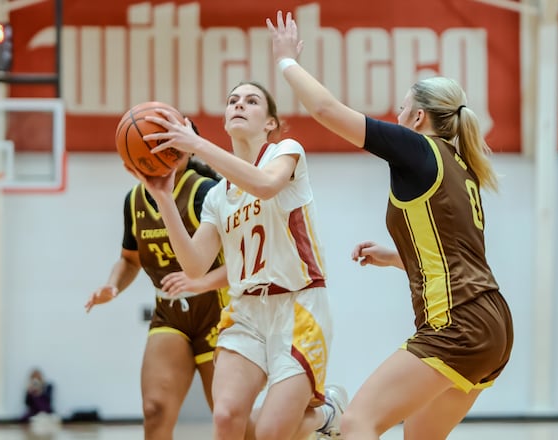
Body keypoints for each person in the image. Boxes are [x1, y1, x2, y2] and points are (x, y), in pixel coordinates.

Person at [266, 11, 515, 440]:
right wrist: (397, 257)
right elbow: (454, 255)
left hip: (456, 324)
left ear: (418, 117)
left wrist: (286, 60)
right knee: (419, 436)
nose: (396, 116)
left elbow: (326, 109)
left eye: (401, 108)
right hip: (493, 324)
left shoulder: (417, 148)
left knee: (358, 421)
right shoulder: (461, 166)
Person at [134, 81, 347, 440]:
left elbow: (264, 185)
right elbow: (194, 266)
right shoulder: (217, 196)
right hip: (246, 310)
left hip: (298, 306)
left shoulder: (286, 153)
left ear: (270, 122)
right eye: (233, 100)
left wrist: (198, 145)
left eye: (251, 101)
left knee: (270, 434)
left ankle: (326, 415)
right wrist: (165, 200)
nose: (239, 105)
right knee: (226, 416)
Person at [85, 149, 231, 440]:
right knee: (155, 410)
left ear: (186, 148)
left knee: (229, 417)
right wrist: (113, 285)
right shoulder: (135, 200)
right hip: (169, 313)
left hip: (217, 311)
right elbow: (129, 260)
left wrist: (200, 282)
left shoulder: (206, 192)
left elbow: (243, 258)